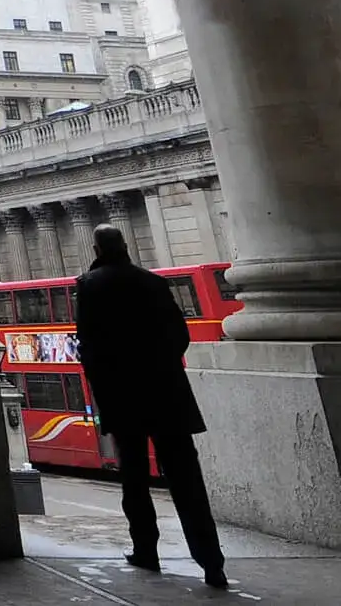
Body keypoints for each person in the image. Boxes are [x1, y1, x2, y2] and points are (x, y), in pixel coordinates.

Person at [74, 224, 227, 590]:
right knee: (187, 481)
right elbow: (180, 336)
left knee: (135, 480)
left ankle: (146, 550)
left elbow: (89, 346)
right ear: (125, 245)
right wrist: (163, 368)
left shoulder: (90, 285)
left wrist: (106, 387)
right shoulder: (154, 282)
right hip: (167, 394)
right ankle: (211, 563)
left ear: (96, 247)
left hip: (124, 397)